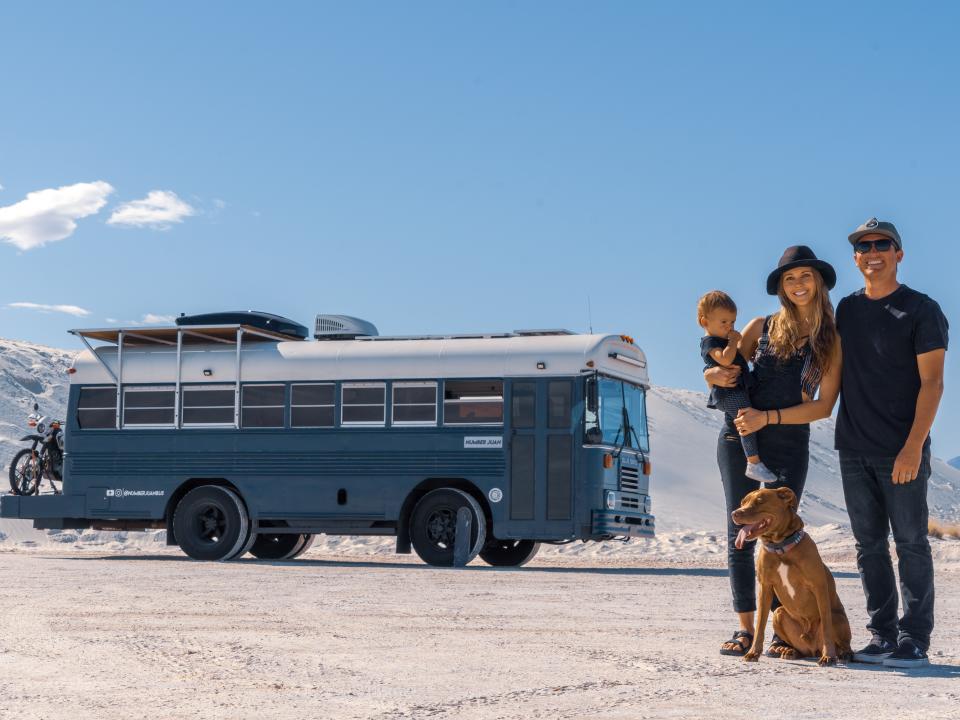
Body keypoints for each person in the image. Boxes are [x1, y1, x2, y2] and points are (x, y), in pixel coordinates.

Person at [707, 246, 843, 657]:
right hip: (738, 438)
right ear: (781, 287)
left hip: (787, 442)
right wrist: (713, 372)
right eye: (790, 278)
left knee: (783, 536)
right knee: (742, 531)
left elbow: (823, 406)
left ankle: (789, 631)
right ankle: (746, 630)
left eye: (805, 276)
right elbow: (726, 374)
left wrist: (770, 419)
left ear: (817, 283)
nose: (798, 284)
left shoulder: (830, 340)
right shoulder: (759, 327)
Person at [833, 218, 948, 668]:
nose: (873, 252)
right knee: (869, 546)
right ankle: (881, 635)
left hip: (901, 450)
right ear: (856, 258)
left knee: (911, 543)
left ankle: (915, 639)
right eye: (864, 246)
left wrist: (913, 446)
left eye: (883, 244)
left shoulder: (922, 309)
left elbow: (933, 383)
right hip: (852, 448)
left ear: (899, 254)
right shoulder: (847, 309)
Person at [697, 291, 777, 482]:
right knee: (745, 420)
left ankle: (754, 461)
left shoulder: (723, 340)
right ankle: (753, 462)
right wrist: (734, 341)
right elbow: (725, 359)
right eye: (723, 322)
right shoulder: (710, 342)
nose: (729, 327)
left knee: (746, 418)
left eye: (732, 322)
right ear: (704, 322)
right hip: (728, 392)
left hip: (735, 388)